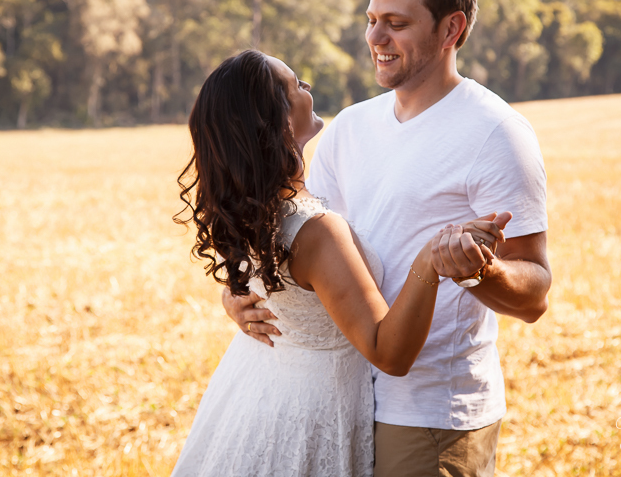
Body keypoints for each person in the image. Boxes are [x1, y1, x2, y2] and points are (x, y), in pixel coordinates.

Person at [224, 0, 551, 477]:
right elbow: (300, 247)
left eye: (396, 24)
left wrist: (479, 271)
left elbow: (535, 293)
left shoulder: (496, 133)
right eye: (372, 20)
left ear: (452, 29)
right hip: (340, 400)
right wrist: (240, 295)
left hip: (427, 415)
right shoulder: (348, 128)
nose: (376, 39)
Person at [172, 49, 508, 477]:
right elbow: (388, 352)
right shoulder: (316, 231)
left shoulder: (252, 210)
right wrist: (430, 261)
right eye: (297, 85)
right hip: (310, 414)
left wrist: (233, 294)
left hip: (256, 394)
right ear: (275, 121)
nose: (308, 89)